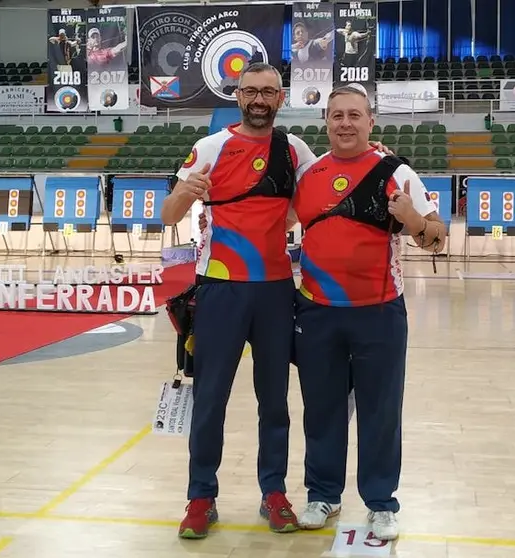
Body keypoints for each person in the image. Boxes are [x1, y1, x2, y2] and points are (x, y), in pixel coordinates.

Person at [160, 63, 391, 541]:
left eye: (268, 91)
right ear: (238, 95)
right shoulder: (210, 147)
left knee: (276, 402)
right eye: (250, 91)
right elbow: (168, 214)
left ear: (280, 98)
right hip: (218, 288)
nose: (259, 98)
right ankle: (201, 496)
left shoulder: (295, 149)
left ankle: (274, 493)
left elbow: (336, 176)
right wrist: (185, 191)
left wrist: (381, 156)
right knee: (210, 400)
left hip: (275, 290)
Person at [291, 86, 446, 541]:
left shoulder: (396, 171)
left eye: (354, 115)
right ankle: (323, 494)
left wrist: (413, 220)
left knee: (381, 411)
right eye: (337, 115)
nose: (345, 123)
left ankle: (381, 503)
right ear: (326, 121)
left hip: (378, 313)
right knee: (321, 410)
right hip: (317, 312)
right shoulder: (308, 175)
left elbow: (437, 236)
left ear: (370, 122)